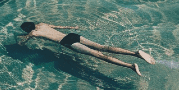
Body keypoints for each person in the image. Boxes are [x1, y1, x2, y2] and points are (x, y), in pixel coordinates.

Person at [18, 21, 155, 76]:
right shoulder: (41, 24)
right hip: (72, 35)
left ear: (27, 29)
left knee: (99, 55)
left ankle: (130, 65)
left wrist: (22, 39)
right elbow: (59, 27)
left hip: (67, 42)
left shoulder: (33, 33)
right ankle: (135, 53)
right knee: (103, 47)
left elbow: (22, 43)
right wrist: (73, 28)